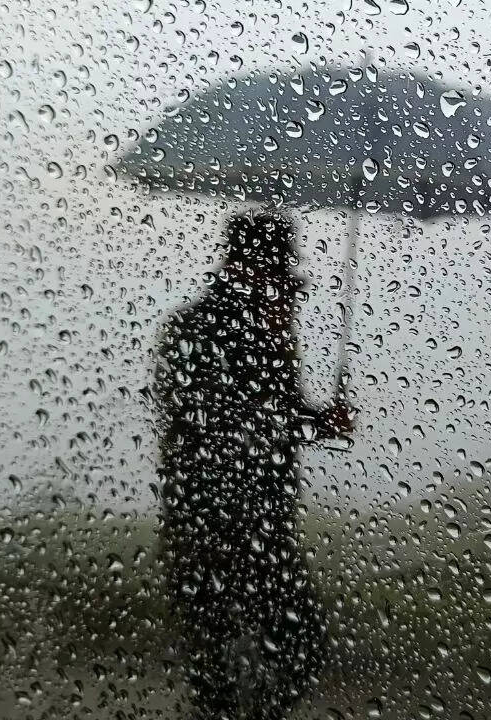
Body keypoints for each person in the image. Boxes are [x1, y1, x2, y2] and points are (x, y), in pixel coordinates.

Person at [151, 211, 354, 720]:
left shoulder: (267, 336)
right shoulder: (195, 330)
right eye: (280, 282)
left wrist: (320, 422)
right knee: (225, 659)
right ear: (246, 272)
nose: (288, 299)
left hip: (261, 524)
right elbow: (212, 422)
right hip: (208, 524)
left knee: (290, 647)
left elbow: (280, 418)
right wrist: (304, 421)